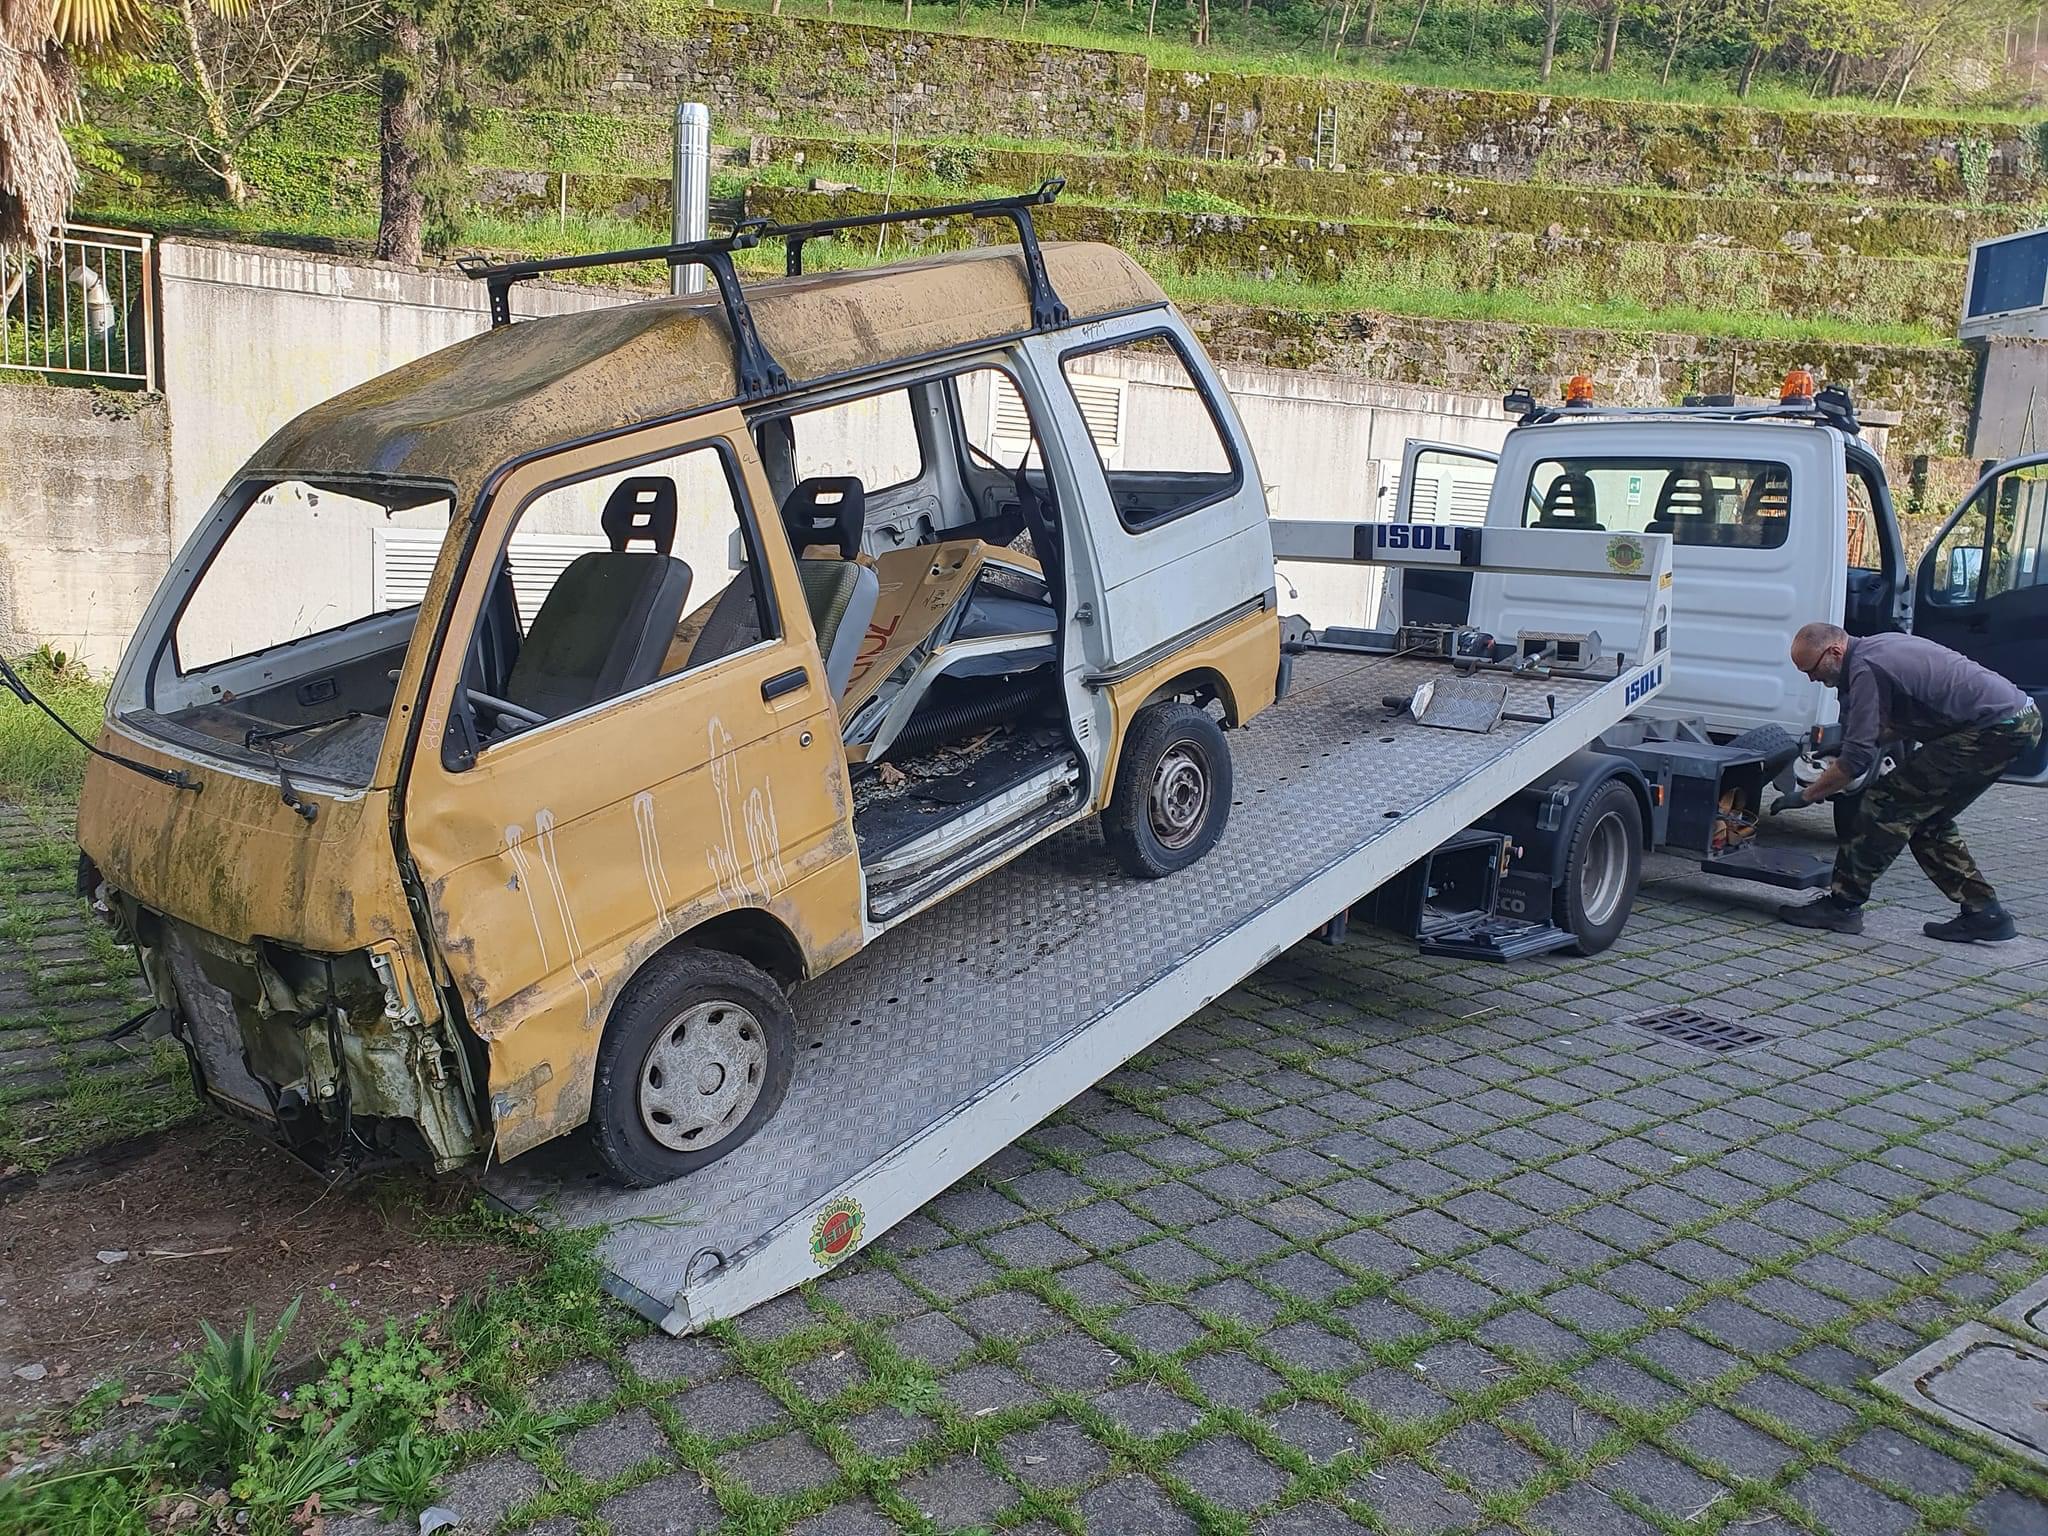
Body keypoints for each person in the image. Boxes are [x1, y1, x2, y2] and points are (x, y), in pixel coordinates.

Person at [1774, 623, 2041, 939]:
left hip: (1994, 728)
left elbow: (1855, 762)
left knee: (1882, 805)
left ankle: (1842, 906)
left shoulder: (1865, 669)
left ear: (1835, 651)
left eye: (1812, 669)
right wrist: (1852, 741)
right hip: (2016, 720)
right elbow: (1908, 720)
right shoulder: (1878, 647)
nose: (1812, 679)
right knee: (1926, 819)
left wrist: (1807, 796)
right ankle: (1986, 913)